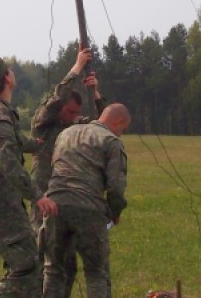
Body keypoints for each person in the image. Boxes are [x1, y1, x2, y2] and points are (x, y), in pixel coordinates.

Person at [0, 55, 58, 296]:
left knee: (26, 262)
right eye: (9, 69)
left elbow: (16, 141)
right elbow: (6, 160)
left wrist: (40, 145)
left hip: (0, 202)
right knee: (27, 265)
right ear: (7, 78)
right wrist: (37, 196)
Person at [30, 46, 107, 295]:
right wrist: (76, 68)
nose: (74, 117)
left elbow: (104, 123)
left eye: (77, 113)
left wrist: (95, 93)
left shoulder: (73, 126)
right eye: (70, 111)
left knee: (69, 265)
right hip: (44, 199)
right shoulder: (44, 124)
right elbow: (56, 98)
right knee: (45, 264)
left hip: (68, 203)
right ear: (59, 107)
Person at [43, 103, 130, 298]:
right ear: (118, 122)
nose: (121, 134)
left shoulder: (66, 134)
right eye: (123, 129)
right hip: (88, 207)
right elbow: (116, 187)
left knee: (53, 270)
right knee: (96, 272)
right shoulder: (111, 141)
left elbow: (53, 166)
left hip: (54, 205)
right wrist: (114, 213)